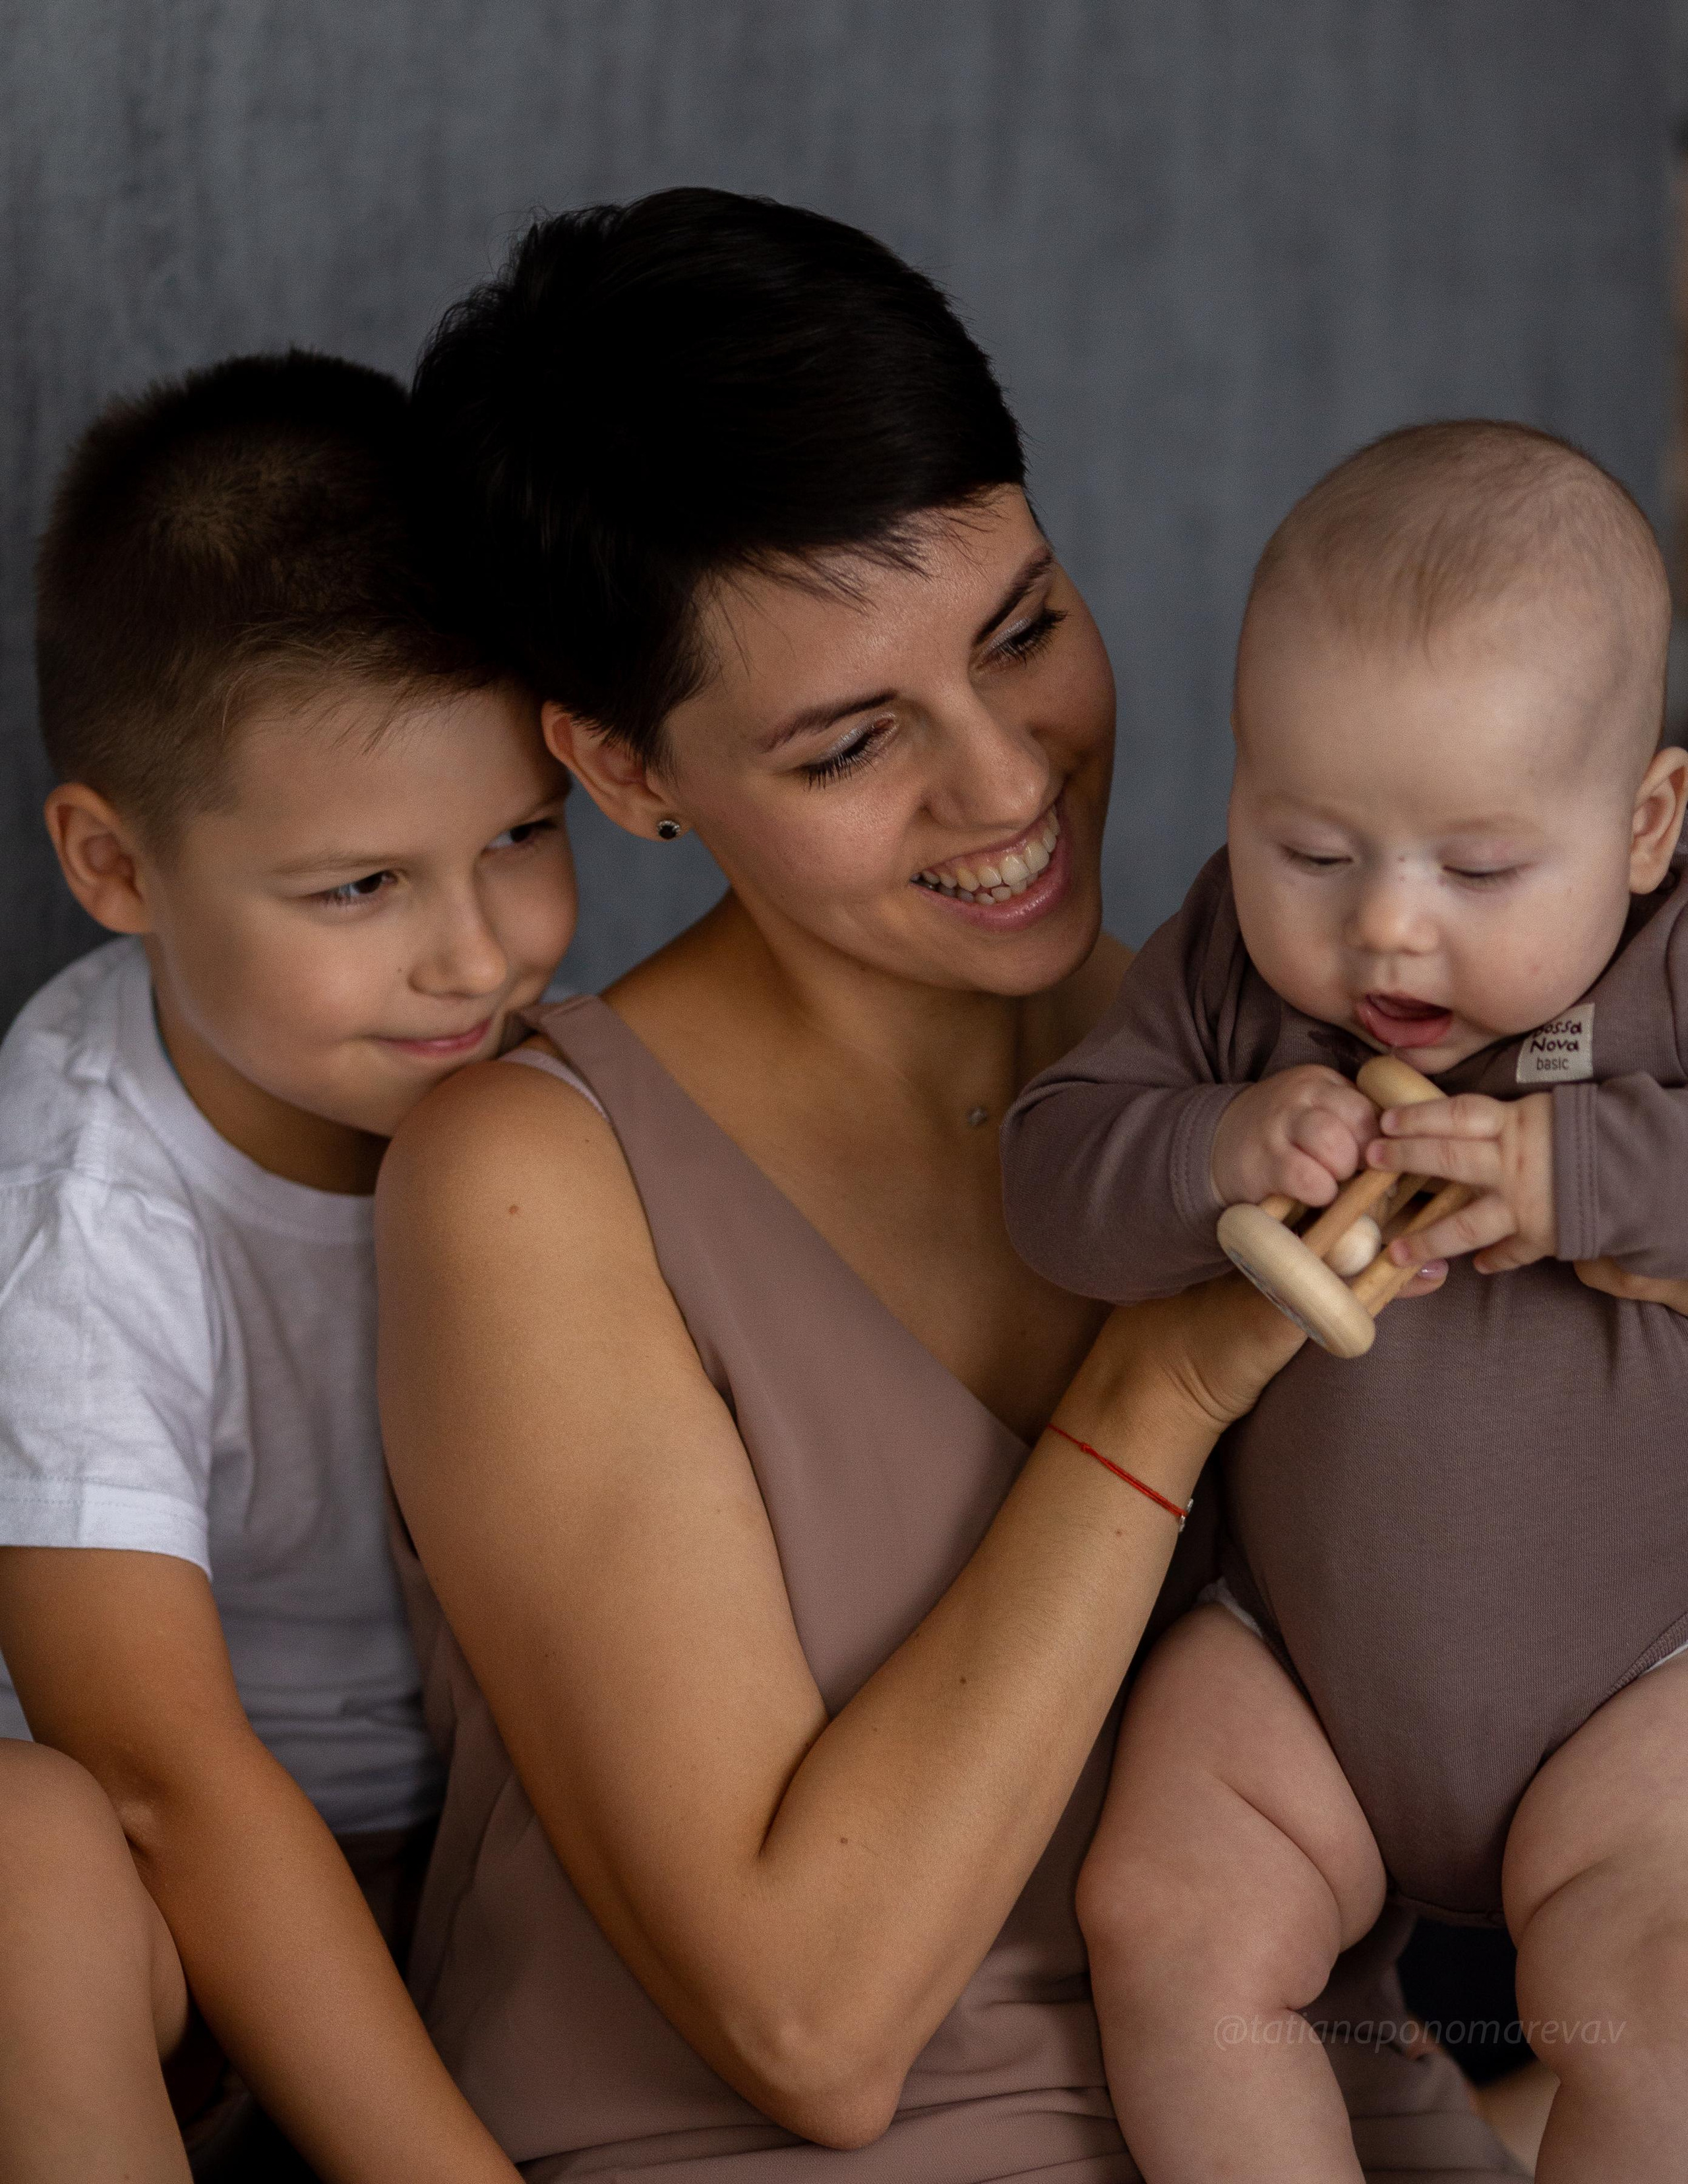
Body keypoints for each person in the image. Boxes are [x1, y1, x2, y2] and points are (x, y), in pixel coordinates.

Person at [376, 189, 1529, 2181]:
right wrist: (1155, 1385)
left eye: (1025, 632)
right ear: (627, 769)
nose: (1006, 785)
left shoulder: (1300, 1059)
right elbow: (810, 2019)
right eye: (850, 743)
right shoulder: (535, 1183)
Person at [1000, 420, 1688, 2179]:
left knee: (1669, 2012)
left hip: (1641, 1682)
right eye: (1312, 846)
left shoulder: (1673, 971)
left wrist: (1578, 1176)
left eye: (1476, 871)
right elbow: (1052, 1180)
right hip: (1294, 1665)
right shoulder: (1234, 970)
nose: (1386, 933)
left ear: (1645, 822)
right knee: (1164, 1917)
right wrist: (1218, 1144)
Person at [0, 351, 574, 2183]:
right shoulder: (82, 1193)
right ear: (114, 863)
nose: (478, 955)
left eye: (521, 838)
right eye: (360, 889)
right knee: (24, 1851)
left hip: (504, 1847)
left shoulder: (560, 1092)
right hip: (171, 1904)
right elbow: (160, 1767)